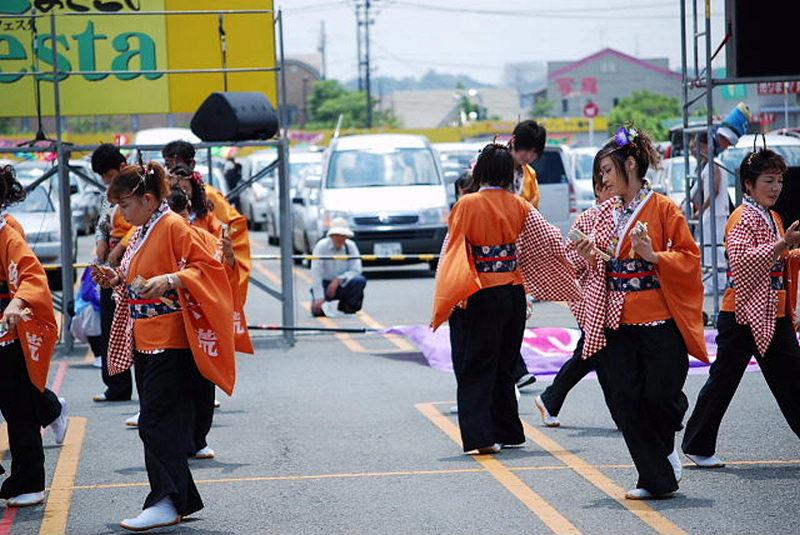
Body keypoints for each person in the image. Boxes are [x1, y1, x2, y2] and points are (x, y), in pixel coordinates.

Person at [93, 162, 237, 532]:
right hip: (150, 336)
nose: (121, 214)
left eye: (125, 205)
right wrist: (117, 278)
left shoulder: (171, 225)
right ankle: (176, 497)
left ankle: (167, 500)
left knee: (157, 424)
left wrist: (172, 278)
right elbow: (138, 276)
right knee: (159, 423)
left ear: (147, 198)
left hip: (170, 338)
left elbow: (208, 268)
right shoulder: (144, 229)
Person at [572, 126, 707, 500]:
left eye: (608, 170)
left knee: (660, 399)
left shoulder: (664, 208)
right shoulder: (604, 213)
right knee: (623, 399)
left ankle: (669, 427)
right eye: (601, 172)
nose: (603, 178)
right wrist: (590, 255)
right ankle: (656, 478)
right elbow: (605, 262)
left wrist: (653, 255)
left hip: (659, 320)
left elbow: (690, 258)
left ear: (630, 164)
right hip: (617, 321)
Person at [431, 144, 580, 454]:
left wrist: (449, 295)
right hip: (512, 292)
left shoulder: (466, 204)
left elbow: (453, 251)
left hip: (478, 292)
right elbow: (551, 238)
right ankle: (509, 431)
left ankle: (481, 436)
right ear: (509, 173)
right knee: (504, 364)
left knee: (476, 366)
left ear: (479, 171)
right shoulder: (519, 205)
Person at [682, 148, 800, 468]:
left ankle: (697, 443)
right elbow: (743, 261)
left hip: (773, 312)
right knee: (724, 380)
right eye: (768, 180)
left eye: (779, 181)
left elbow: (777, 259)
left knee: (793, 379)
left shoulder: (773, 217)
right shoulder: (742, 217)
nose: (776, 187)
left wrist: (791, 252)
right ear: (748, 184)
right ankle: (697, 444)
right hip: (743, 314)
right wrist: (782, 246)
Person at [535, 153, 619, 428]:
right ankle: (625, 415)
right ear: (596, 190)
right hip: (590, 298)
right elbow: (569, 261)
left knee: (598, 354)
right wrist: (591, 255)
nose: (610, 190)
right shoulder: (587, 218)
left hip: (615, 298)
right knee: (594, 352)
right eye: (604, 186)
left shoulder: (625, 214)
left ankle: (551, 399)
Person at [0, 165, 67, 508]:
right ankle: (52, 407)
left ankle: (30, 481)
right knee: (20, 401)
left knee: (20, 411)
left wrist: (15, 302)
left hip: (7, 336)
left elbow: (33, 278)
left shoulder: (9, 234)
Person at [162, 140, 252, 303]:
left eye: (179, 163)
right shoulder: (161, 197)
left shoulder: (208, 196)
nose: (173, 168)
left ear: (192, 164)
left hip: (202, 274)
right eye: (169, 164)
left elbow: (232, 225)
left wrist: (220, 254)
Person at [90, 143, 134, 403]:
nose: (108, 182)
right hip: (110, 266)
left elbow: (143, 224)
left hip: (132, 262)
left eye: (110, 176)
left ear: (121, 166)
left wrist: (117, 252)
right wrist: (100, 248)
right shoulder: (107, 196)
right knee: (110, 327)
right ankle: (116, 386)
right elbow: (101, 225)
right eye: (104, 179)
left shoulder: (139, 187)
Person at [310, 218, 367, 317]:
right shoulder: (321, 246)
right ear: (332, 236)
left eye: (343, 236)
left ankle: (348, 306)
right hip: (325, 283)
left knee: (359, 280)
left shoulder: (351, 246)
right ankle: (322, 303)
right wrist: (318, 297)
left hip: (343, 283)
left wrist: (338, 280)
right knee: (317, 312)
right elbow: (316, 272)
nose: (340, 238)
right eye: (337, 235)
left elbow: (356, 270)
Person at [509, 120, 545, 208]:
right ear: (513, 141)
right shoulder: (492, 165)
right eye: (526, 149)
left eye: (534, 152)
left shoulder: (530, 174)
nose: (529, 156)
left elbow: (534, 210)